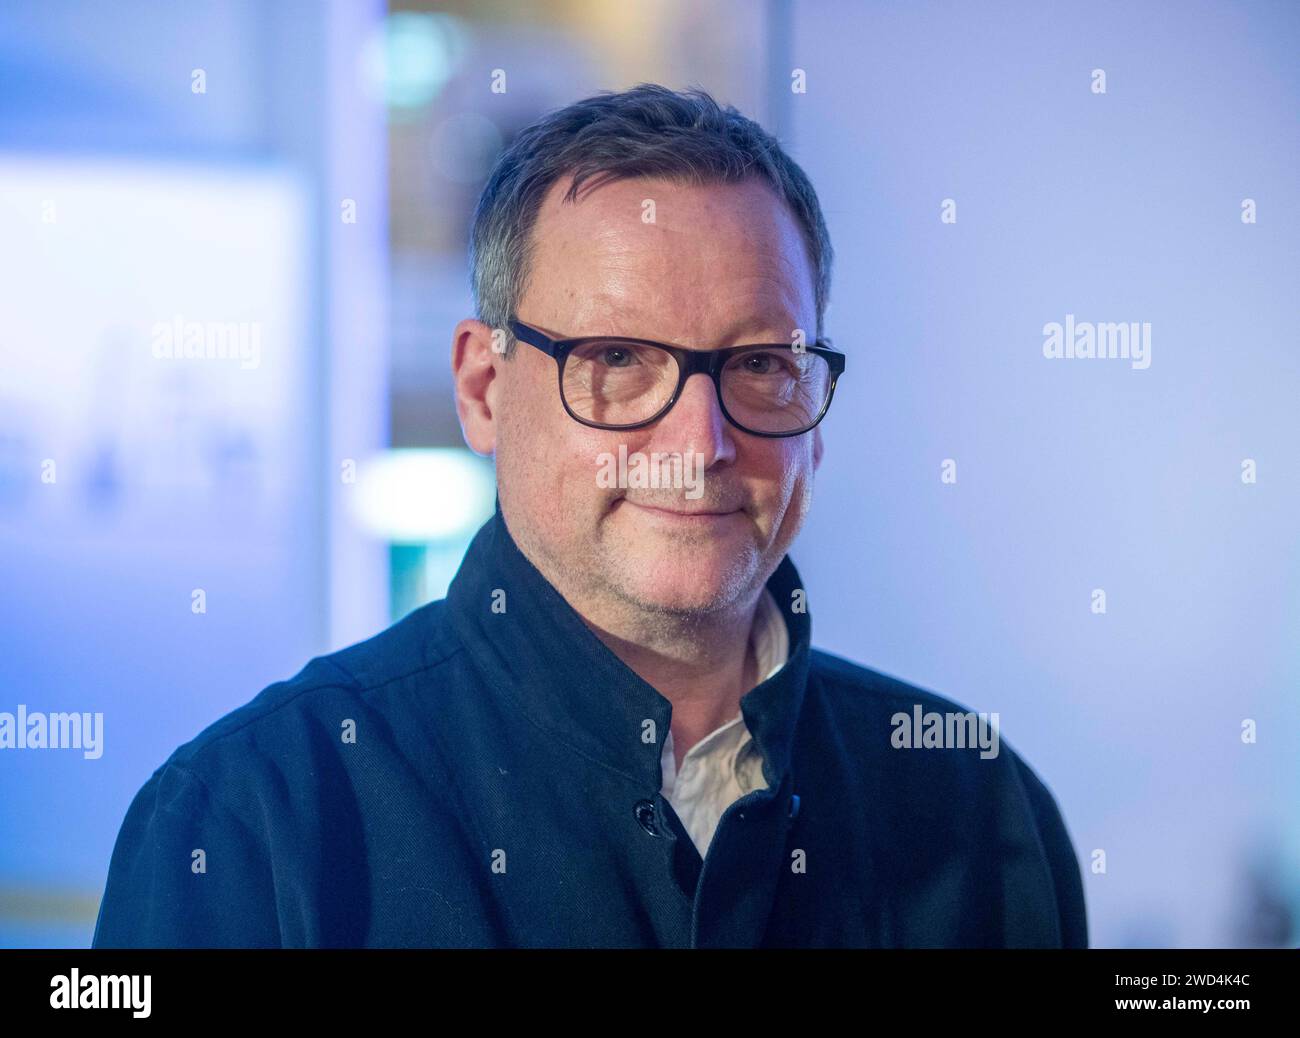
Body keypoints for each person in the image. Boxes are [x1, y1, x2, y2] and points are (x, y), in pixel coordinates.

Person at [93, 83, 1086, 948]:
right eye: (616, 361)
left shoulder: (978, 810)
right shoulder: (251, 819)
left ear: (814, 416)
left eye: (758, 366)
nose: (697, 443)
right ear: (484, 390)